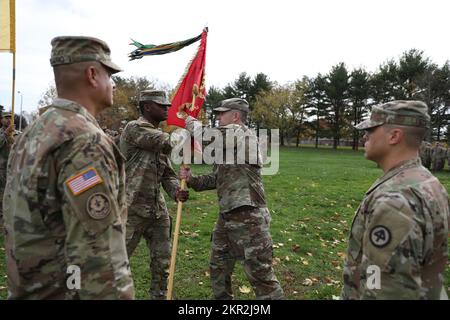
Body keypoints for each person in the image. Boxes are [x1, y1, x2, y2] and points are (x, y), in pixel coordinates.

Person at [3, 36, 135, 299]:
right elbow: (98, 257)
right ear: (92, 74)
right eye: (110, 75)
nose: (113, 83)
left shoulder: (34, 132)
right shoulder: (85, 140)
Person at [341, 100, 449, 300]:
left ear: (394, 136)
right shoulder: (429, 182)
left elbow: (385, 290)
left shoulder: (393, 201)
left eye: (371, 130)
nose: (365, 135)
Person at [179, 98, 284, 300]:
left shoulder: (242, 134)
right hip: (227, 217)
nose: (218, 117)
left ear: (235, 116)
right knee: (218, 267)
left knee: (261, 276)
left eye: (222, 113)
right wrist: (191, 179)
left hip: (249, 217)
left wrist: (189, 120)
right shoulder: (228, 145)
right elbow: (217, 178)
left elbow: (205, 135)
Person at [119, 89, 189, 300]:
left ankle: (160, 295)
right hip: (130, 209)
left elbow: (166, 173)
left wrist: (176, 190)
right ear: (147, 106)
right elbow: (170, 142)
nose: (167, 108)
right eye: (162, 105)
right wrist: (190, 125)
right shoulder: (135, 129)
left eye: (168, 105)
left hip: (156, 210)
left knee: (163, 261)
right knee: (116, 263)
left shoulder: (156, 138)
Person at [0, 111, 19, 228]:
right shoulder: (2, 134)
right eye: (6, 118)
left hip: (13, 171)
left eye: (10, 118)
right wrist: (6, 134)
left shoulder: (17, 134)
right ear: (2, 120)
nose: (8, 120)